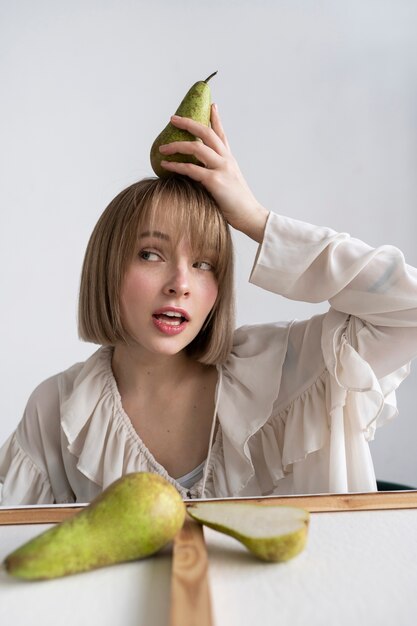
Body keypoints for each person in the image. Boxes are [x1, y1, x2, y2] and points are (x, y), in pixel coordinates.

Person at [1, 106, 417, 505]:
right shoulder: (59, 409)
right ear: (107, 266)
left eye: (204, 264)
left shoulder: (289, 370)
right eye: (151, 254)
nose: (180, 284)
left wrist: (256, 219)